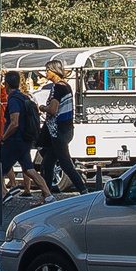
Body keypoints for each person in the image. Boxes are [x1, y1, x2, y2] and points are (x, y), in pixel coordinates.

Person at [38, 62, 88, 193]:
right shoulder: (66, 86)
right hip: (65, 129)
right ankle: (46, 193)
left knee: (65, 162)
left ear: (53, 71)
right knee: (48, 163)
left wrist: (42, 108)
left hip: (57, 131)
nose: (46, 73)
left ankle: (82, 189)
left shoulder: (57, 87)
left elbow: (53, 110)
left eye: (47, 70)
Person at [0, 71, 45, 203]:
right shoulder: (23, 97)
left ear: (6, 84)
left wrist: (4, 138)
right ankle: (48, 194)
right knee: (29, 169)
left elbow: (14, 122)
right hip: (25, 139)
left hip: (15, 140)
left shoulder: (12, 99)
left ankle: (3, 193)